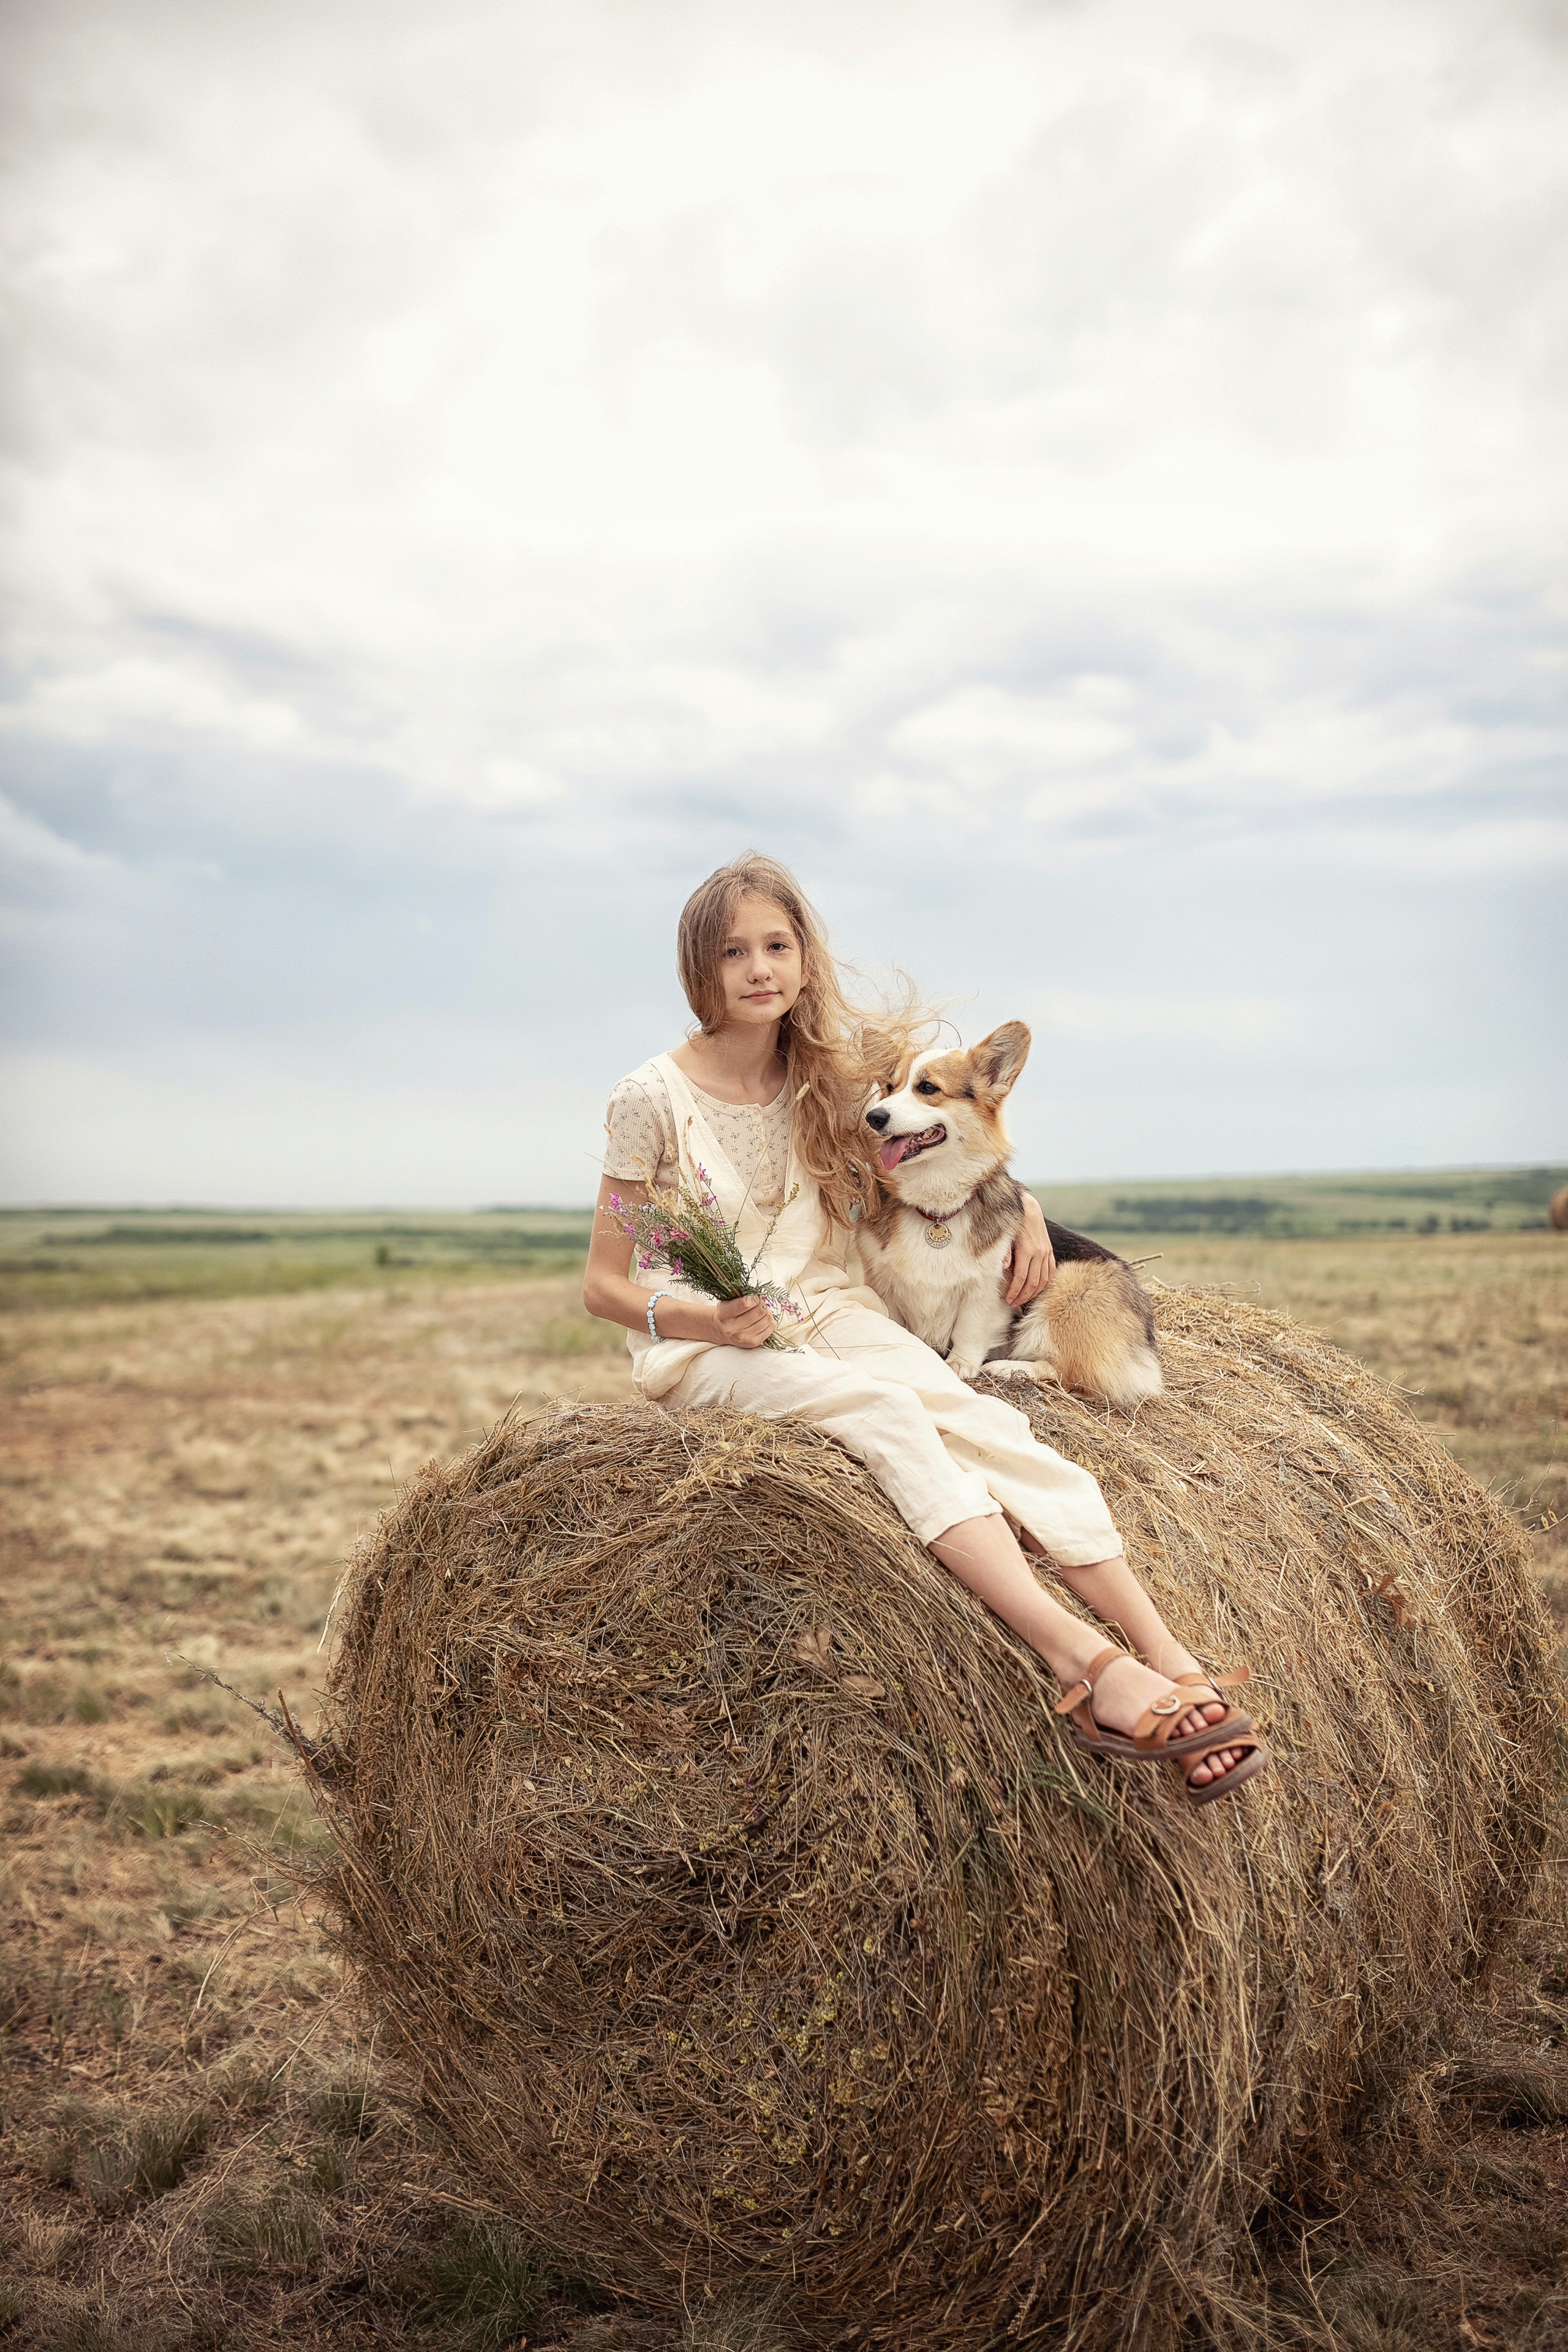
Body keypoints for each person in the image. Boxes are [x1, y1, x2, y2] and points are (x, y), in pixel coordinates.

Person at [582, 854, 1267, 1803]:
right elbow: (603, 1287)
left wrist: (1022, 1212)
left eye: (778, 945)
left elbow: (963, 1128)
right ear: (700, 970)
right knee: (887, 1417)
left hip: (830, 1311)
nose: (759, 970)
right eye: (733, 952)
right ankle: (1086, 1665)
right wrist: (703, 1317)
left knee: (987, 1423)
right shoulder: (648, 1097)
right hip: (705, 1346)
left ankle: (1170, 1654)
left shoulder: (830, 1072)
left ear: (805, 956)